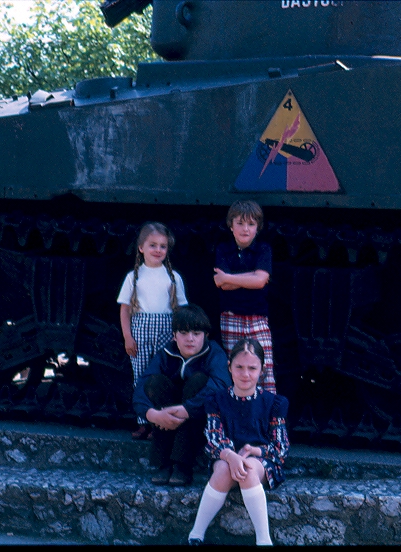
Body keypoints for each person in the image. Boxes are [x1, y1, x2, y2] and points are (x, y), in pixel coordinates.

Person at [188, 338, 290, 546]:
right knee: (225, 469)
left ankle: (264, 539)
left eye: (252, 368)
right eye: (239, 367)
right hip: (225, 458)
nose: (245, 374)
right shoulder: (216, 400)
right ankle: (196, 533)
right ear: (229, 367)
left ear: (261, 370)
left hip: (261, 461)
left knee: (249, 468)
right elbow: (213, 439)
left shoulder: (274, 403)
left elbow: (281, 448)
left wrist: (254, 450)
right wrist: (231, 455)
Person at [133, 304, 232, 486]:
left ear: (206, 335)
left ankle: (182, 464)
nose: (190, 339)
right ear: (174, 335)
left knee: (199, 381)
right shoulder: (166, 353)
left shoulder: (214, 353)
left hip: (197, 419)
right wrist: (151, 414)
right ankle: (164, 463)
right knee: (155, 382)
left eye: (196, 333)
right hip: (169, 414)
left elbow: (220, 385)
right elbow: (141, 385)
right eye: (184, 333)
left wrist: (187, 409)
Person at [118, 222, 189, 440]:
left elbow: (181, 309)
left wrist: (180, 335)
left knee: (162, 374)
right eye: (152, 245)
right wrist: (127, 336)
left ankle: (161, 421)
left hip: (166, 328)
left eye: (163, 246)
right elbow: (125, 308)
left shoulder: (173, 277)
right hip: (141, 328)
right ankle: (143, 421)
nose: (158, 250)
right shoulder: (134, 277)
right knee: (140, 375)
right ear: (141, 248)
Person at [213, 199, 276, 394]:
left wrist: (230, 277)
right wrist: (251, 277)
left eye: (251, 224)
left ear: (258, 227)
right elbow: (219, 282)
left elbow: (260, 281)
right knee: (235, 368)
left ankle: (271, 418)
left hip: (257, 318)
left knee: (264, 368)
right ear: (231, 226)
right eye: (240, 223)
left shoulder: (263, 250)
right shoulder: (223, 250)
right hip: (230, 317)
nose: (245, 229)